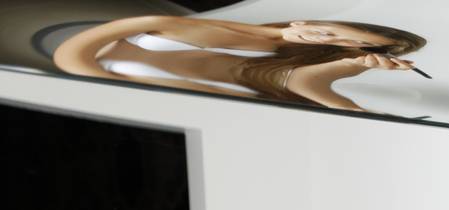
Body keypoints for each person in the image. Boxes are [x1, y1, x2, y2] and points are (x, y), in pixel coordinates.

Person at [50, 15, 428, 114]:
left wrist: (353, 64)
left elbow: (70, 62)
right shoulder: (252, 38)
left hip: (98, 85)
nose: (334, 40)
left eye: (352, 45)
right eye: (343, 33)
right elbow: (66, 59)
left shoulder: (280, 68)